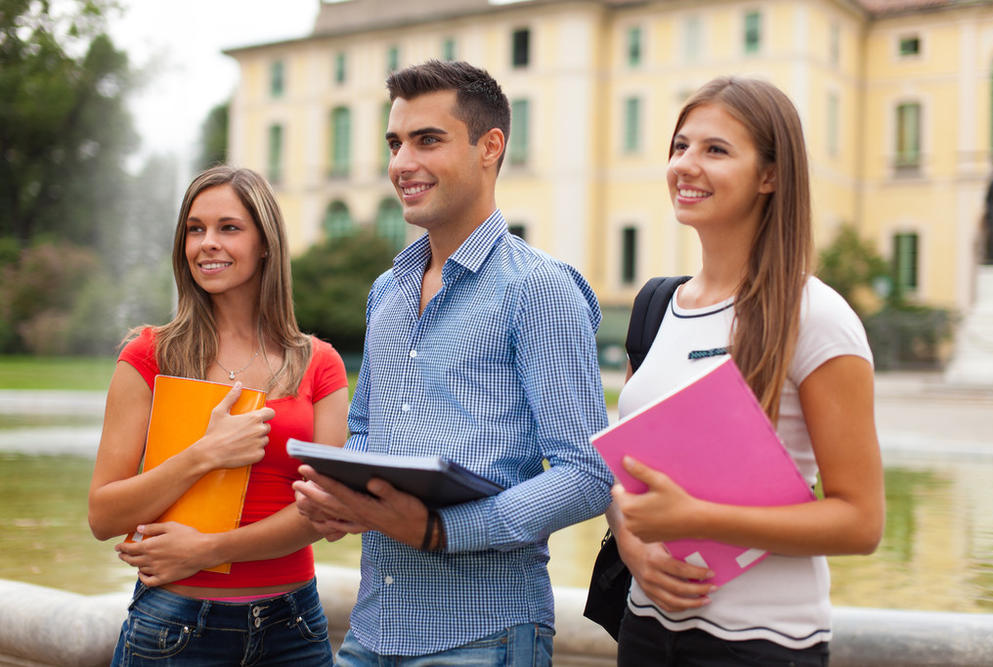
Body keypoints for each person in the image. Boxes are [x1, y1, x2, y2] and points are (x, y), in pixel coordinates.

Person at [292, 59, 613, 665]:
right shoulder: (387, 291)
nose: (401, 164)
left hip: (482, 638)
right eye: (395, 143)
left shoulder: (539, 288)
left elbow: (589, 474)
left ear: (490, 147)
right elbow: (366, 431)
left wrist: (440, 531)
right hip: (370, 633)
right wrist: (339, 495)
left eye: (427, 140)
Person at [607, 77, 885, 666]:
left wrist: (696, 519)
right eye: (680, 146)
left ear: (771, 176)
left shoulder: (816, 317)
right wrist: (632, 543)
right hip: (644, 631)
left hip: (760, 644)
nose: (685, 165)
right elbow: (626, 473)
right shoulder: (657, 306)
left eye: (715, 150)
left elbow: (861, 522)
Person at [88, 165, 349, 666]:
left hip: (295, 628)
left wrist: (208, 550)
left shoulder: (320, 365)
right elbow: (104, 516)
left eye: (228, 227)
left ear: (265, 243)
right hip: (175, 627)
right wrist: (205, 454)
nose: (207, 242)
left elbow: (321, 511)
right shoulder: (150, 355)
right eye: (195, 228)